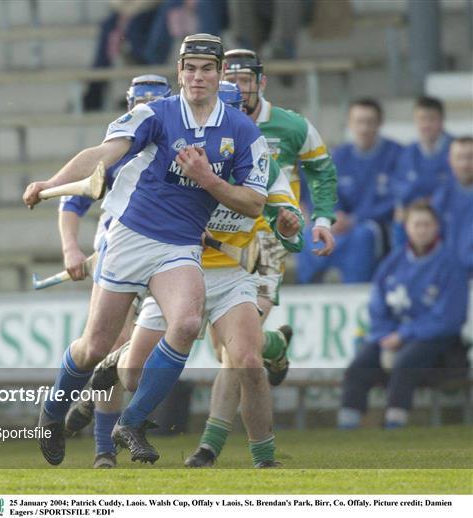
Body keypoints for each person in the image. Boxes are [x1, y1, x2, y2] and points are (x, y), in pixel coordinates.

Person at [23, 34, 270, 466]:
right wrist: (51, 183)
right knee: (95, 346)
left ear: (218, 74)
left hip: (180, 244)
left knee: (188, 322)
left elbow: (253, 203)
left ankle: (131, 422)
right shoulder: (155, 114)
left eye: (207, 69)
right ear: (179, 72)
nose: (197, 77)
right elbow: (102, 154)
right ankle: (54, 410)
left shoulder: (243, 131)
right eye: (189, 68)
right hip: (132, 236)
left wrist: (209, 180)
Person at [65, 81, 301, 469]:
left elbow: (286, 228)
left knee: (245, 359)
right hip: (174, 273)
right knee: (132, 379)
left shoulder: (257, 159)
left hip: (230, 276)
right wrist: (85, 247)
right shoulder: (170, 153)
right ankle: (116, 362)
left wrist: (291, 228)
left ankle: (264, 458)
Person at [182, 48, 337, 467]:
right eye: (232, 79)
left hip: (267, 241)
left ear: (261, 82)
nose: (240, 87)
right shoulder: (205, 127)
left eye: (247, 79)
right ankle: (277, 347)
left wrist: (320, 218)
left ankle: (211, 447)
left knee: (238, 355)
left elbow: (322, 169)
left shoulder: (290, 125)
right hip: (222, 246)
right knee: (226, 352)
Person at [59, 75, 172, 469]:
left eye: (153, 103)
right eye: (138, 103)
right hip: (118, 251)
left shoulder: (179, 148)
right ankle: (104, 449)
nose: (143, 110)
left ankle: (94, 395)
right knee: (113, 342)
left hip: (168, 252)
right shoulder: (118, 150)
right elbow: (72, 203)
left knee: (152, 347)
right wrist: (72, 248)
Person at [337, 201, 469, 429]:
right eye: (416, 224)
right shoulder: (392, 263)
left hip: (438, 345)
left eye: (426, 224)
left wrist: (404, 335)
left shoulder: (450, 265)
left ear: (436, 227)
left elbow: (449, 318)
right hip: (392, 337)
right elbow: (377, 306)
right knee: (359, 365)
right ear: (407, 227)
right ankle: (347, 427)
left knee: (406, 361)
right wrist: (387, 336)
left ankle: (394, 425)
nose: (421, 230)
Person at [297, 99, 403, 283]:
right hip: (341, 223)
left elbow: (396, 200)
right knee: (310, 235)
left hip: (376, 225)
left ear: (380, 123)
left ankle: (358, 292)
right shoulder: (338, 156)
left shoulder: (396, 154)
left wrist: (354, 219)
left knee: (362, 237)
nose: (364, 128)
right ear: (350, 124)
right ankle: (310, 289)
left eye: (370, 122)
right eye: (359, 122)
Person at [392, 97, 453, 245]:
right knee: (399, 220)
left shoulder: (456, 149)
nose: (426, 125)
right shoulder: (407, 152)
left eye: (431, 119)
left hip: (447, 212)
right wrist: (405, 207)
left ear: (441, 121)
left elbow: (456, 187)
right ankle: (404, 266)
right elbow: (399, 187)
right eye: (421, 119)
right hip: (414, 214)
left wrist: (429, 204)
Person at [431, 136, 473, 274]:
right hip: (449, 274)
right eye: (459, 158)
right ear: (450, 161)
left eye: (470, 157)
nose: (465, 164)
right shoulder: (440, 197)